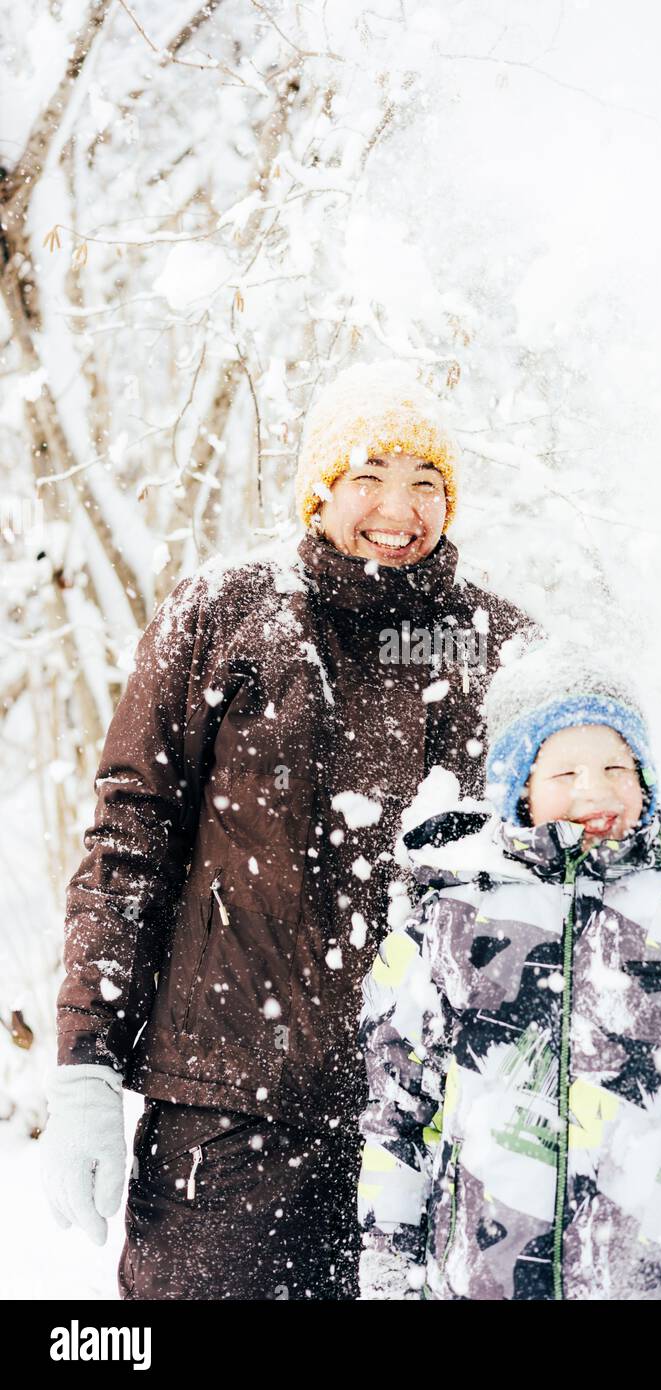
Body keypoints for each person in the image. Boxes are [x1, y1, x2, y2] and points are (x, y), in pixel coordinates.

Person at [39, 359, 536, 1300]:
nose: (400, 507)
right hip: (222, 1118)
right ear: (320, 490)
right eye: (371, 477)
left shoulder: (498, 649)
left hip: (425, 1129)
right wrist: (86, 1068)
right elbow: (127, 848)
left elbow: (562, 869)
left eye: (426, 482)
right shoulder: (223, 615)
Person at [356, 636, 661, 1300]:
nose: (595, 790)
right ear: (521, 791)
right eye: (563, 773)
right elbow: (397, 1114)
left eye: (618, 767)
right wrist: (390, 1274)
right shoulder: (449, 922)